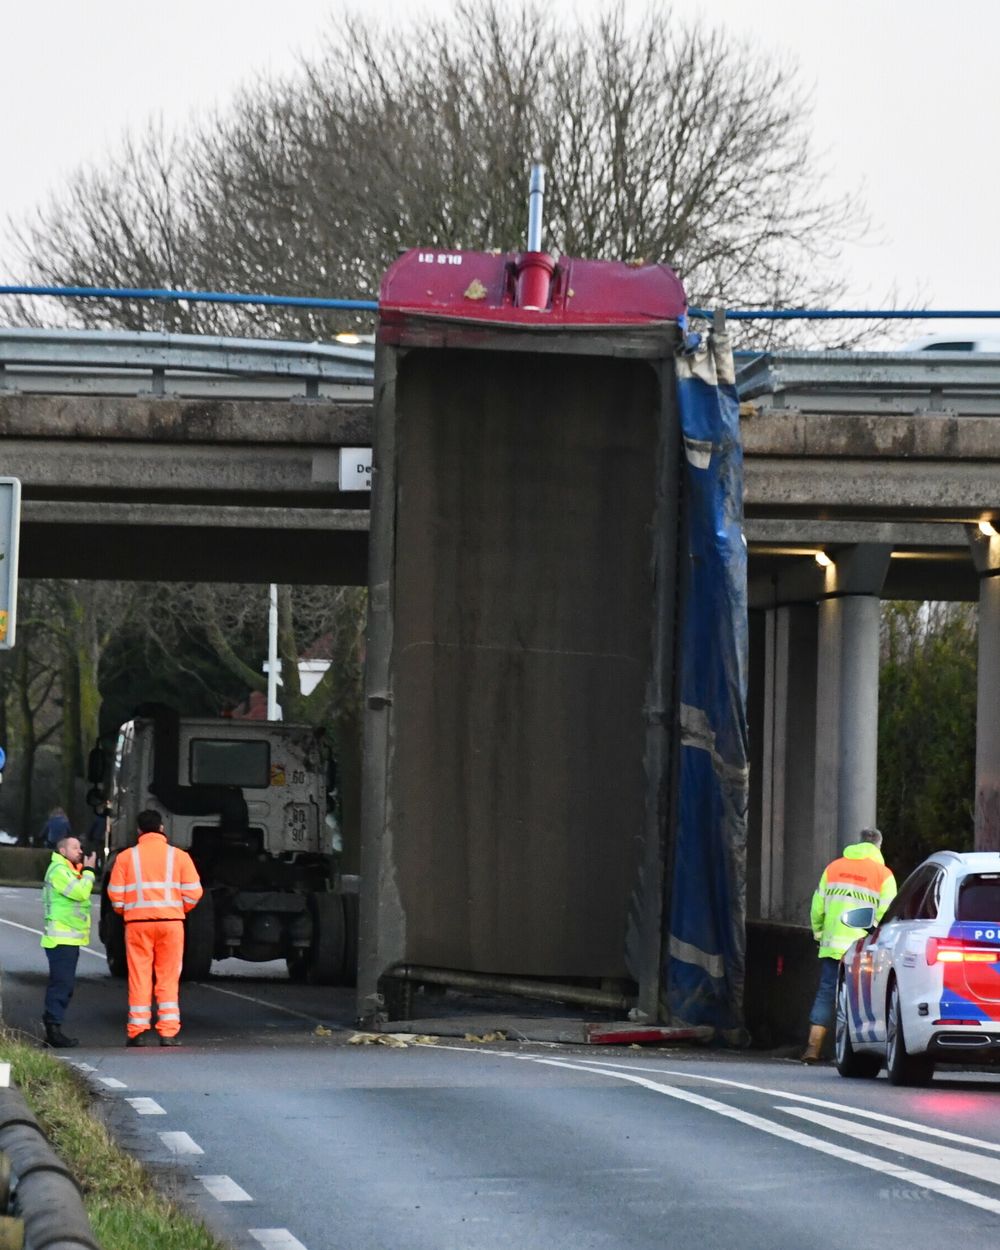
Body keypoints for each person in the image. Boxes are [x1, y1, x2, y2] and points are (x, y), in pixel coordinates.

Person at [107, 809, 203, 1047]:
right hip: (171, 924)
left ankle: (137, 1031)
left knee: (139, 977)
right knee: (168, 977)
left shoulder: (126, 858)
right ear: (162, 828)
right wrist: (179, 909)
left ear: (139, 831)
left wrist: (127, 911)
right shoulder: (179, 856)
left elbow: (116, 897)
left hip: (137, 925)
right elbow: (194, 893)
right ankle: (168, 1032)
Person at [802, 827, 897, 1063]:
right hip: (864, 949)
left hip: (833, 946)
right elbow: (889, 914)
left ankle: (812, 1048)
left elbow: (817, 907)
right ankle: (851, 1054)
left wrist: (820, 933)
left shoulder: (834, 868)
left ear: (858, 842)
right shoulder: (884, 875)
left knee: (826, 993)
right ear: (878, 846)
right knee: (858, 1000)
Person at [40, 835, 97, 1048]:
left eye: (80, 847)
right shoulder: (59, 871)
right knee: (61, 985)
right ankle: (53, 1030)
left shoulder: (68, 870)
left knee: (64, 985)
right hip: (60, 939)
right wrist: (89, 871)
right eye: (74, 848)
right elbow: (81, 892)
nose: (80, 851)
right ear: (62, 851)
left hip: (67, 939)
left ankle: (52, 1030)